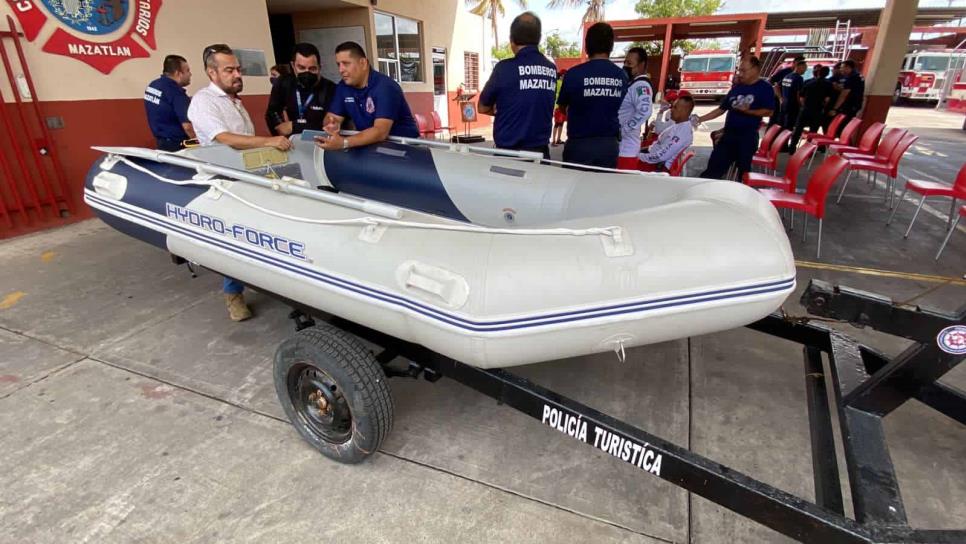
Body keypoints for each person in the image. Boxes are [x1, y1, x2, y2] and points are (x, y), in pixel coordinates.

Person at [188, 43, 293, 322]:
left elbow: (245, 144)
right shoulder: (203, 102)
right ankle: (232, 293)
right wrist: (269, 140)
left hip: (245, 176)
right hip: (222, 181)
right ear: (211, 73)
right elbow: (226, 138)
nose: (237, 74)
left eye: (238, 69)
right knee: (234, 236)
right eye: (229, 70)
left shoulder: (234, 101)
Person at [315, 41, 419, 151]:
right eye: (338, 64)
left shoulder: (385, 87)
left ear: (363, 63)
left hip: (404, 148)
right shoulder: (343, 87)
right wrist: (331, 124)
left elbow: (380, 131)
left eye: (346, 64)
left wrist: (344, 142)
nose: (341, 70)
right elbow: (332, 117)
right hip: (373, 147)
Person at [478, 12, 556, 158]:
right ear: (539, 39)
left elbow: (482, 107)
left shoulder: (504, 68)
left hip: (508, 156)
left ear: (511, 40)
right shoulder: (551, 69)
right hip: (540, 155)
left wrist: (501, 109)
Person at [556, 22, 627, 168]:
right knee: (602, 189)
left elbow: (562, 107)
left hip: (578, 146)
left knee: (573, 189)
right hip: (608, 147)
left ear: (587, 46)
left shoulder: (574, 74)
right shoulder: (621, 76)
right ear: (611, 46)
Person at [697, 56, 775, 180]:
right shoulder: (737, 87)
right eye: (739, 70)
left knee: (742, 173)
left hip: (747, 137)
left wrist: (748, 111)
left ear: (755, 69)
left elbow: (769, 112)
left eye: (744, 70)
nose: (740, 74)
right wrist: (700, 119)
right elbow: (721, 109)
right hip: (728, 135)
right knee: (713, 169)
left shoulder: (764, 88)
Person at [266, 43, 337, 137]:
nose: (307, 72)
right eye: (301, 68)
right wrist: (279, 128)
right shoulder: (284, 83)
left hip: (321, 141)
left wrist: (295, 126)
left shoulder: (331, 89)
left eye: (312, 69)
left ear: (319, 68)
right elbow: (272, 112)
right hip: (292, 141)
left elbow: (331, 125)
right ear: (293, 66)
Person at [144, 54, 195, 151]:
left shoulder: (153, 86)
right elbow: (188, 126)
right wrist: (199, 142)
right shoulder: (176, 93)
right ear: (178, 73)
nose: (190, 74)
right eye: (187, 71)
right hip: (178, 146)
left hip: (161, 143)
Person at [616, 46, 652, 170]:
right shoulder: (631, 84)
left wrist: (623, 131)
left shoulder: (641, 85)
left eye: (630, 63)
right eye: (625, 62)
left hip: (626, 150)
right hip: (620, 149)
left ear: (642, 65)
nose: (626, 66)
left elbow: (645, 111)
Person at [639, 95, 695, 172]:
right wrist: (640, 150)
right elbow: (658, 145)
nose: (671, 110)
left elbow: (661, 156)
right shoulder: (678, 125)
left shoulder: (682, 132)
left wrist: (638, 156)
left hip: (656, 166)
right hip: (652, 157)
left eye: (675, 107)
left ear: (685, 111)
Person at [789, 64, 833, 151]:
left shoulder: (808, 82)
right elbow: (827, 99)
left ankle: (792, 147)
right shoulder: (828, 84)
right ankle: (807, 150)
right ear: (827, 74)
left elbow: (801, 97)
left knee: (798, 128)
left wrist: (803, 106)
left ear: (818, 73)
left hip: (805, 109)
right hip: (817, 110)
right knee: (813, 131)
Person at [769, 55, 804, 127]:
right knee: (774, 121)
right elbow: (773, 83)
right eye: (799, 63)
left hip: (787, 103)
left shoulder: (797, 76)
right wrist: (780, 98)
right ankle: (769, 136)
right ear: (794, 63)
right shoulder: (786, 72)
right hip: (779, 100)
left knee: (782, 123)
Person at [780, 59, 807, 151]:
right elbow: (798, 94)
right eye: (805, 68)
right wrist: (801, 105)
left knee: (784, 126)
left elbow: (776, 87)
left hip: (784, 104)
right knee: (789, 127)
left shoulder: (787, 76)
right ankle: (784, 146)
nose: (805, 70)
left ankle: (782, 145)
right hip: (793, 105)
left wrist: (781, 98)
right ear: (799, 67)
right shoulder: (798, 78)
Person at [829, 59, 865, 123]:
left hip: (850, 105)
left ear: (848, 67)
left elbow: (844, 94)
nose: (841, 69)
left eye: (842, 67)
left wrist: (834, 109)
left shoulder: (852, 77)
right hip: (856, 104)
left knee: (841, 125)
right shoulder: (858, 75)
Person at [551, 69, 567, 146]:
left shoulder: (558, 83)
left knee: (560, 123)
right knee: (558, 123)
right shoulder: (560, 83)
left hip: (560, 105)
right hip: (559, 106)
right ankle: (554, 140)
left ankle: (557, 139)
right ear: (561, 76)